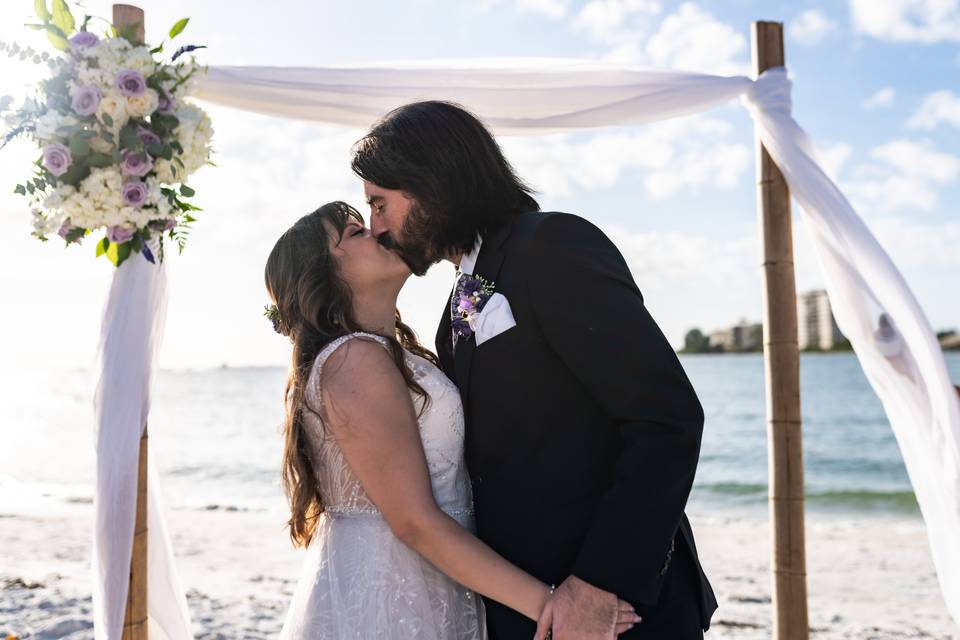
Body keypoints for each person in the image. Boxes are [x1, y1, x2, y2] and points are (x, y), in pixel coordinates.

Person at [350, 101, 718, 639]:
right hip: (531, 610)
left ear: (430, 181)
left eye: (380, 204)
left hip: (614, 615)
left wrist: (598, 583)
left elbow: (666, 419)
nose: (377, 227)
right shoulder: (460, 302)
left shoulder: (553, 246)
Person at [265, 201, 640, 639]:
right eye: (354, 233)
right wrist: (550, 607)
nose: (377, 230)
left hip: (424, 580)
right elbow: (414, 521)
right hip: (392, 593)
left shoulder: (386, 351)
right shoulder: (354, 360)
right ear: (322, 274)